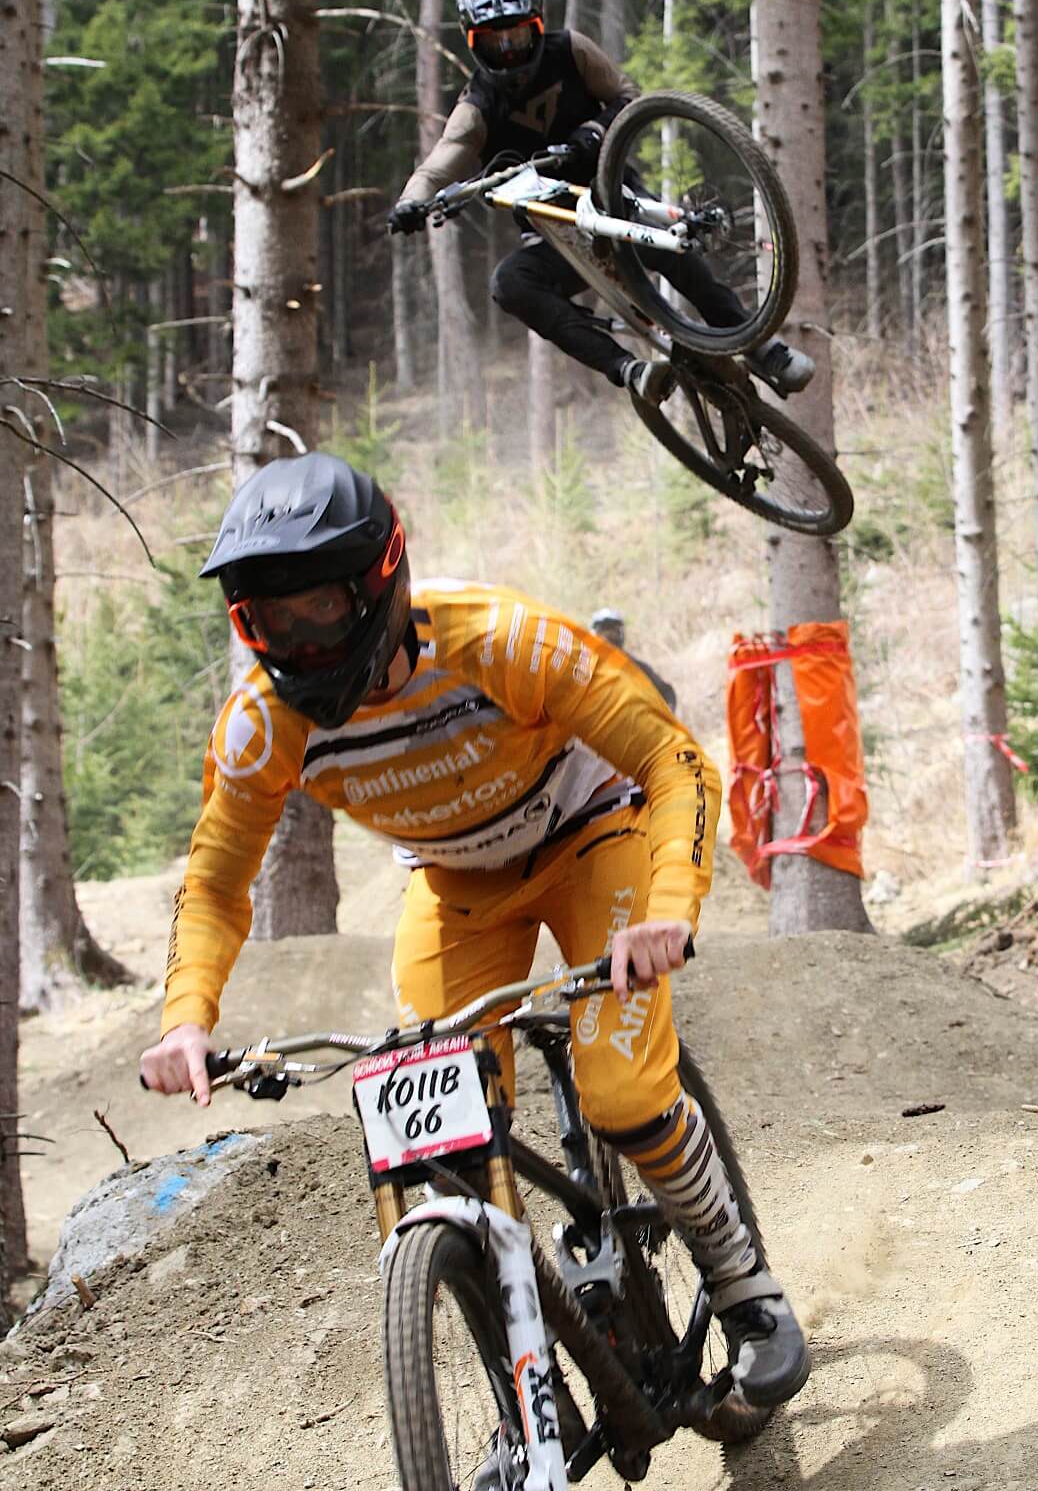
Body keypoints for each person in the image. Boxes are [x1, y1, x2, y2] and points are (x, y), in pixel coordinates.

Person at [139, 451, 810, 1409]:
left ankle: (743, 1284)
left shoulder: (502, 642)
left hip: (590, 839)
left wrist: (668, 906)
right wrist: (185, 1020)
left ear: (377, 581)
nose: (301, 636)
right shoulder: (261, 725)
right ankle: (525, 1396)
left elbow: (673, 760)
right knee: (444, 1147)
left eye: (319, 605)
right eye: (272, 618)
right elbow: (213, 883)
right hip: (453, 885)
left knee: (623, 1093)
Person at [386, 0, 814, 405]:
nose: (510, 50)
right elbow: (434, 170)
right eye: (496, 41)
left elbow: (628, 96)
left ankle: (759, 346)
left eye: (518, 34)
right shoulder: (475, 108)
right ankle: (630, 370)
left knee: (670, 245)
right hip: (554, 237)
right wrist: (410, 203)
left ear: (538, 25)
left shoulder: (571, 51)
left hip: (612, 194)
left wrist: (593, 132)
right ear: (474, 42)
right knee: (509, 284)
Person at [589, 606, 678, 712]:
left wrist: (667, 712)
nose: (609, 637)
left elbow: (665, 692)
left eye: (614, 632)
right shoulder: (587, 666)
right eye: (605, 631)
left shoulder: (634, 665)